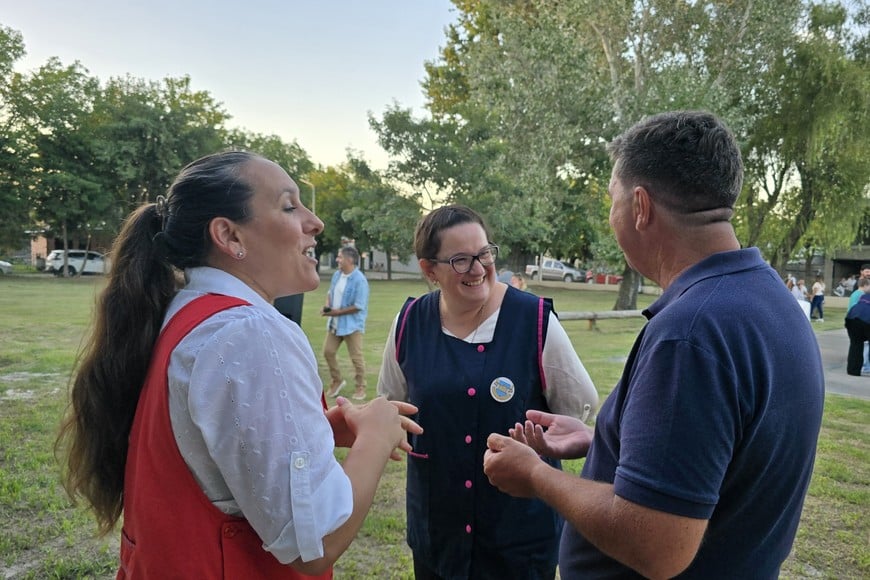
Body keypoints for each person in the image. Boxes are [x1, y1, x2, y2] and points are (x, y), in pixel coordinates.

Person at [483, 111, 825, 579]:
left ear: (640, 207)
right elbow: (719, 455)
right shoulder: (769, 299)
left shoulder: (691, 333)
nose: (612, 216)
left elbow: (657, 544)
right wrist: (608, 442)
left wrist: (538, 475)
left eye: (613, 200)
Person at [56, 151, 422, 578]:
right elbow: (316, 543)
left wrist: (312, 429)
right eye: (289, 205)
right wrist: (375, 438)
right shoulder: (249, 332)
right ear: (229, 236)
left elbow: (206, 442)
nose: (315, 222)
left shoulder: (188, 312)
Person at [377, 204, 599, 579]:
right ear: (429, 269)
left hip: (518, 536)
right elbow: (390, 402)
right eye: (461, 260)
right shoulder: (410, 321)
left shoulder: (535, 320)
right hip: (437, 527)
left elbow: (580, 407)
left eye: (484, 254)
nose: (478, 269)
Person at [322, 246, 370, 401]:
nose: (337, 260)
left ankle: (360, 387)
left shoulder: (359, 280)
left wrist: (336, 312)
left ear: (349, 260)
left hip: (352, 325)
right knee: (328, 351)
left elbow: (359, 305)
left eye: (340, 257)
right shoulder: (337, 275)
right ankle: (337, 381)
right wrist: (327, 306)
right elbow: (330, 292)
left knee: (356, 358)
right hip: (335, 323)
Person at [847, 277, 870, 375]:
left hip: (852, 319)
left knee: (855, 345)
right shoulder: (863, 294)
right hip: (865, 319)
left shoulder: (859, 295)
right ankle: (865, 366)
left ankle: (853, 370)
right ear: (865, 285)